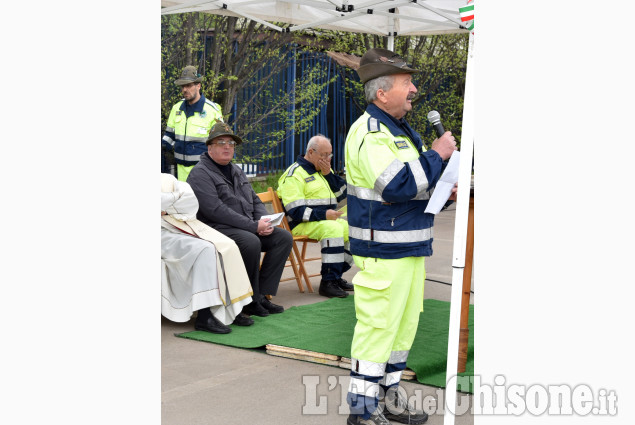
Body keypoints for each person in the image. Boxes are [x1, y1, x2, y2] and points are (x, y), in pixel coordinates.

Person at [344, 48, 458, 425]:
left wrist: (441, 193)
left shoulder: (398, 130)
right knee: (377, 329)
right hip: (383, 251)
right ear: (381, 93)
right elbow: (395, 184)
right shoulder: (370, 132)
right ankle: (361, 411)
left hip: (407, 246)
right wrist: (438, 155)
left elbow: (414, 188)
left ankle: (389, 397)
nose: (414, 90)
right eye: (406, 83)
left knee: (402, 327)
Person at [187, 121, 293, 317]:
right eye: (221, 142)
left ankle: (259, 295)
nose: (228, 146)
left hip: (245, 226)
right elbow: (215, 210)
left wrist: (264, 222)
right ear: (210, 147)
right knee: (250, 242)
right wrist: (254, 226)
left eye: (231, 143)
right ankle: (245, 299)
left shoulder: (236, 169)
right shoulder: (200, 174)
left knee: (282, 238)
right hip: (216, 229)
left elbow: (254, 200)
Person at [161, 173, 255, 333]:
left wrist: (168, 202)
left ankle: (232, 308)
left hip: (181, 224)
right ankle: (204, 316)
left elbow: (189, 199)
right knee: (206, 249)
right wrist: (173, 199)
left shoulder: (165, 177)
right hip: (161, 232)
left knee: (227, 245)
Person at [277, 134, 354, 299]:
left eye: (330, 155)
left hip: (323, 220)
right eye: (324, 155)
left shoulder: (324, 170)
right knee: (332, 229)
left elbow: (342, 194)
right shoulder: (294, 174)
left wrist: (329, 175)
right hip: (299, 223)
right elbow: (295, 210)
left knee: (355, 230)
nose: (327, 159)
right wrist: (324, 214)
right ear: (311, 152)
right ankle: (327, 283)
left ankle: (335, 276)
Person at [162, 65, 224, 182]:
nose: (185, 89)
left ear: (198, 86)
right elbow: (168, 137)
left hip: (204, 173)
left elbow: (220, 143)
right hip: (180, 173)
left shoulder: (212, 110)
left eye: (189, 85)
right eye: (183, 86)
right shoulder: (176, 109)